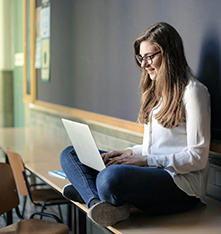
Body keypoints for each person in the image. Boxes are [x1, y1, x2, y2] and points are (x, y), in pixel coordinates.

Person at [60, 22, 211, 227]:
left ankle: (91, 191)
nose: (144, 64)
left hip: (181, 187)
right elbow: (153, 148)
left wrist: (145, 161)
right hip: (153, 172)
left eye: (150, 56)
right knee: (70, 153)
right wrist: (127, 153)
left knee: (110, 177)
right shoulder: (156, 94)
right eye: (141, 58)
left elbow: (198, 158)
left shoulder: (193, 92)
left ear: (169, 54)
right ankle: (98, 203)